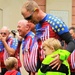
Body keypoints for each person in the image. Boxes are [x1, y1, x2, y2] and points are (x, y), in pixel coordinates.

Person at [21, 0, 75, 70]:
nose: (28, 21)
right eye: (26, 19)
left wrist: (61, 57)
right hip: (44, 67)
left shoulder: (55, 22)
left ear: (36, 11)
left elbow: (71, 42)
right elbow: (40, 49)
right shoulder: (37, 25)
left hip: (56, 67)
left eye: (29, 18)